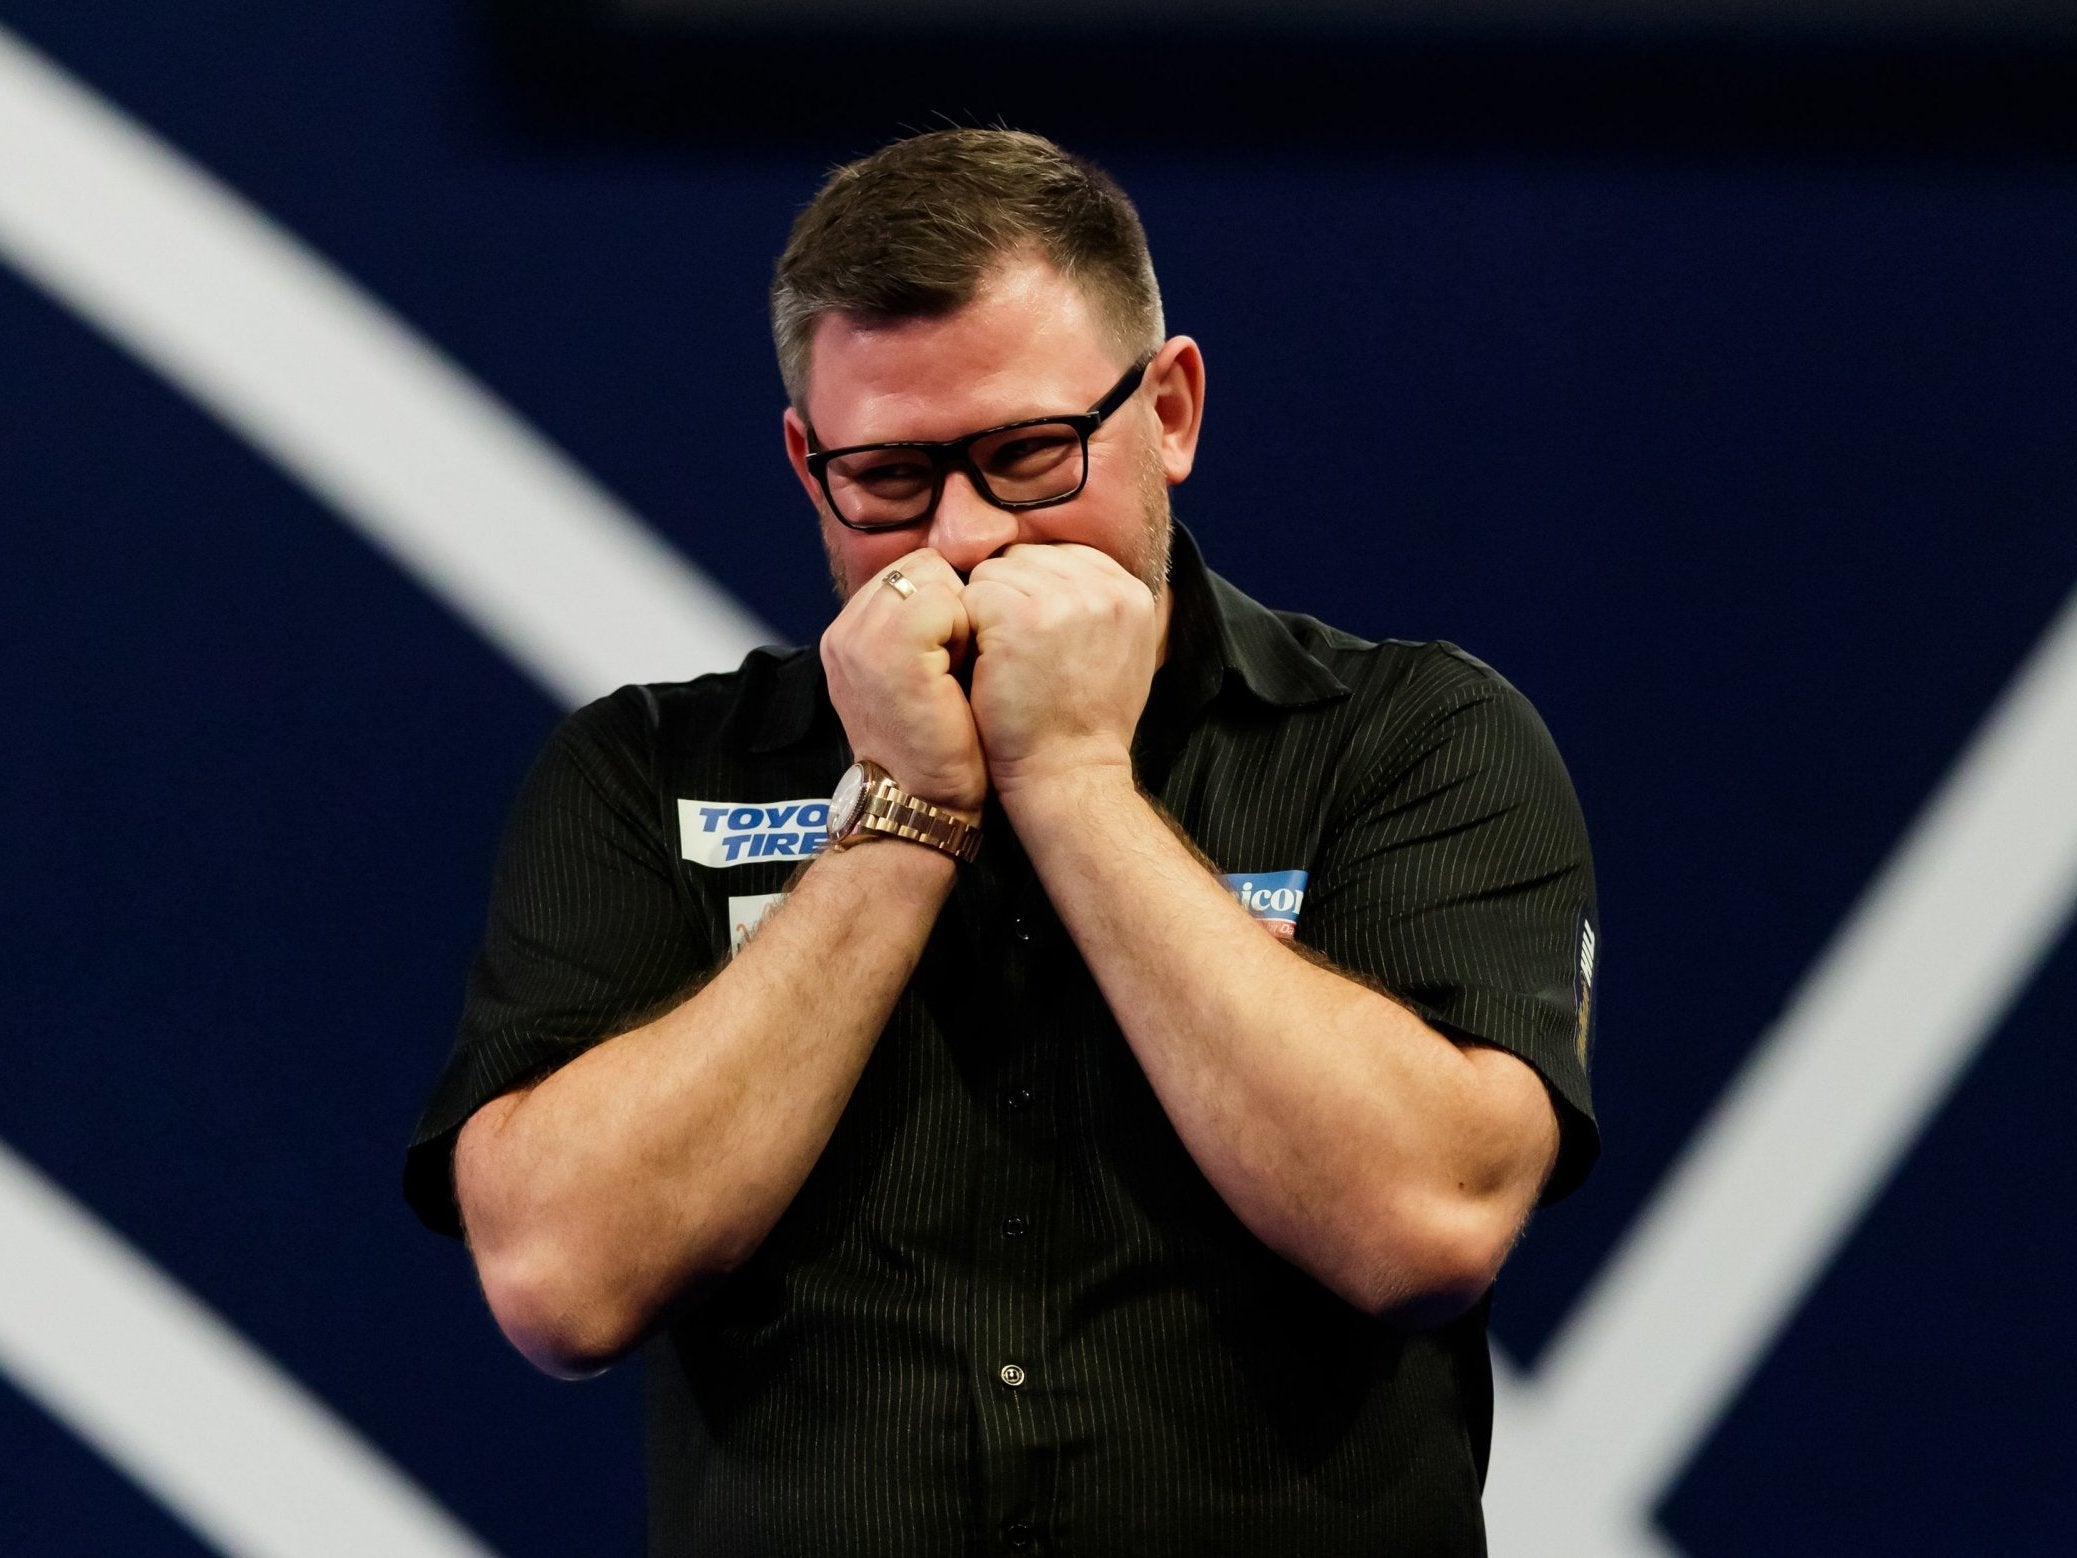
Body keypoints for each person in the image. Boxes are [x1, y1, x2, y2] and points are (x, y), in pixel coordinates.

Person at [405, 128, 1598, 1557]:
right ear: (805, 464)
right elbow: (560, 1279)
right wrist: (901, 821)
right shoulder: (645, 773)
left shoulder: (1408, 740)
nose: (966, 536)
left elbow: (1422, 1221)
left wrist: (1076, 779)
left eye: (1028, 454)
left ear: (1168, 408)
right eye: (890, 478)